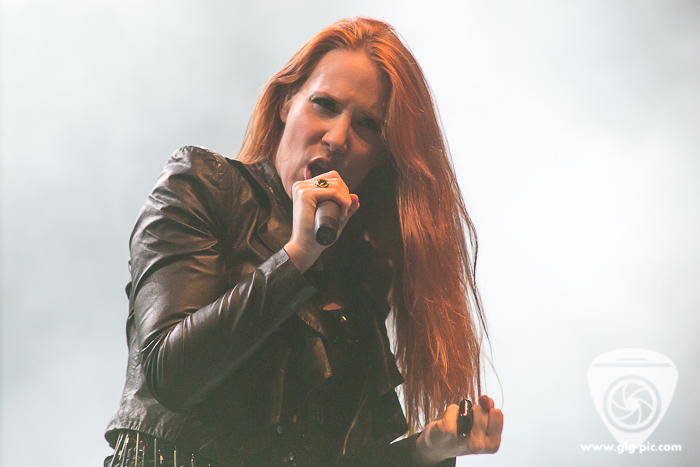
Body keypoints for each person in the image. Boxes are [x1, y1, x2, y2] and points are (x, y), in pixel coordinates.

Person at [104, 16, 503, 467]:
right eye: (324, 105)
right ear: (285, 102)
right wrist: (297, 257)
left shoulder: (361, 276)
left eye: (367, 126)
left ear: (381, 158)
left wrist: (429, 449)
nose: (337, 139)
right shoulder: (203, 186)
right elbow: (171, 374)